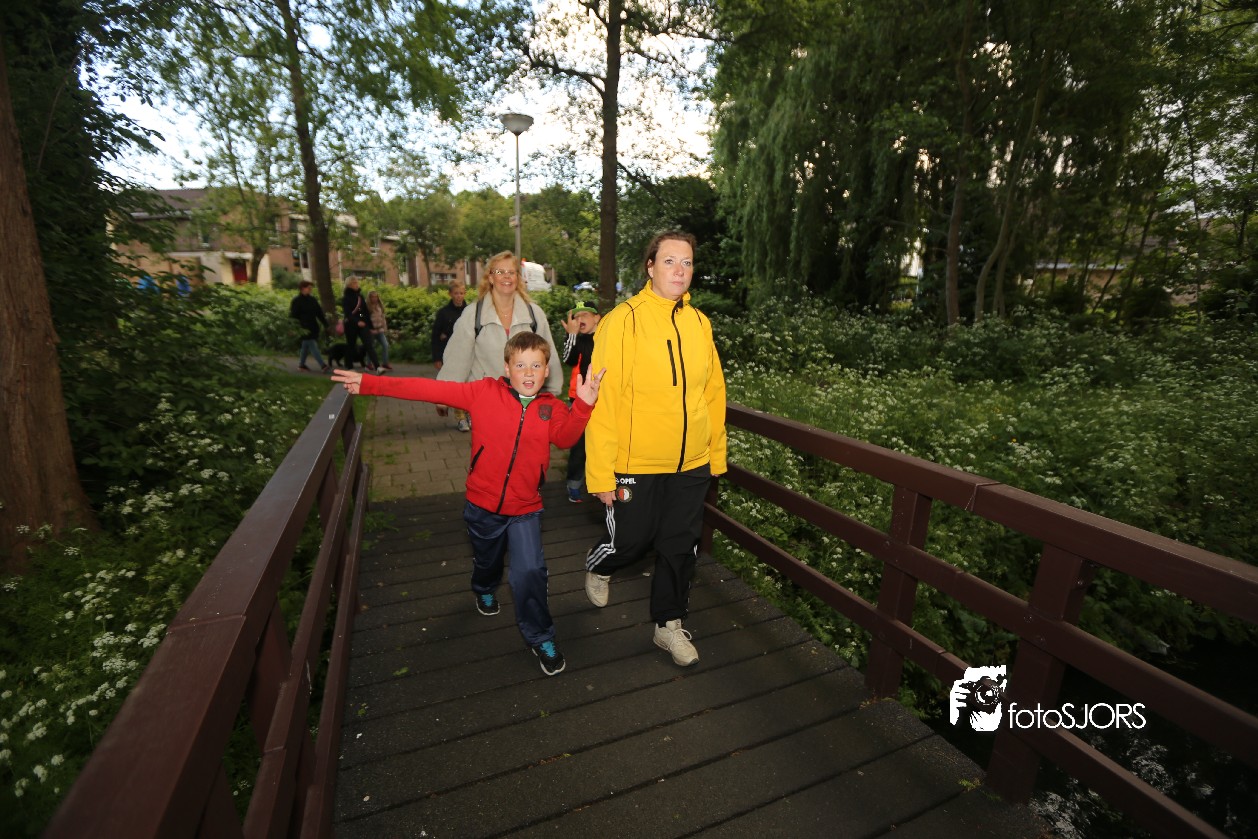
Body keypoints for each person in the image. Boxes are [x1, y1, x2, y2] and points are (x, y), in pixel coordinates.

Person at [332, 332, 606, 676]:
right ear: (506, 368)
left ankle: (541, 636)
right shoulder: (483, 393)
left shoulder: (550, 408)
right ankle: (484, 587)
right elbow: (427, 389)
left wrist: (583, 405)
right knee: (487, 561)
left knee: (530, 573)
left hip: (525, 508)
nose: (528, 372)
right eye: (521, 365)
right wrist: (370, 384)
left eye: (536, 365)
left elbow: (566, 439)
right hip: (482, 504)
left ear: (547, 369)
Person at [582, 231, 727, 667]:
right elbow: (604, 402)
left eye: (687, 262)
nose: (679, 270)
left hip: (691, 463)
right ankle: (600, 564)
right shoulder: (622, 321)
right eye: (669, 261)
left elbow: (713, 392)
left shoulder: (699, 323)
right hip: (636, 462)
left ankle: (668, 624)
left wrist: (715, 452)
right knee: (630, 541)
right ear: (650, 266)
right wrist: (600, 472)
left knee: (680, 547)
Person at [438, 251, 564, 429]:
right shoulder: (473, 314)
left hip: (526, 403)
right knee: (490, 446)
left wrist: (552, 392)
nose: (506, 276)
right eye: (500, 272)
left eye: (511, 272)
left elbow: (548, 354)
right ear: (490, 278)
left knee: (524, 446)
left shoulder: (534, 314)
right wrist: (443, 395)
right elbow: (458, 357)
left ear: (517, 278)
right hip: (485, 403)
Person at [561, 301, 600, 503]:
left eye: (585, 315)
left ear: (597, 318)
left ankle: (601, 482)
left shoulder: (606, 337)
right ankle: (574, 484)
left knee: (601, 443)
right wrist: (572, 335)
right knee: (579, 445)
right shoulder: (577, 339)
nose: (580, 319)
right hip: (580, 400)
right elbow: (568, 359)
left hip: (604, 399)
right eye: (576, 316)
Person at [431, 281, 469, 430]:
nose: (459, 296)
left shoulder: (469, 312)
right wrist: (437, 358)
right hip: (450, 355)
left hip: (468, 353)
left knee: (468, 385)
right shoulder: (443, 313)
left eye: (461, 293)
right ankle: (460, 417)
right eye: (456, 293)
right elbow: (435, 336)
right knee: (456, 386)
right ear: (450, 294)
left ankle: (469, 413)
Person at [341, 277, 382, 374]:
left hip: (363, 325)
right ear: (349, 285)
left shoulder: (360, 297)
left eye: (357, 282)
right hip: (351, 325)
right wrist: (357, 321)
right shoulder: (346, 298)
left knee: (369, 345)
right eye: (354, 283)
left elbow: (362, 312)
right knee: (351, 345)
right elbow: (348, 313)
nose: (357, 285)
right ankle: (349, 366)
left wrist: (369, 326)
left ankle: (377, 367)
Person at [289, 280, 330, 372]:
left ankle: (301, 365)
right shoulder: (297, 301)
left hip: (313, 326)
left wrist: (325, 324)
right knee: (312, 344)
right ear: (303, 288)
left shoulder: (313, 300)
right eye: (309, 288)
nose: (310, 289)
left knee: (305, 346)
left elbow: (319, 313)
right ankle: (323, 365)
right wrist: (292, 327)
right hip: (303, 327)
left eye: (311, 287)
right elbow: (293, 316)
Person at [366, 290, 393, 371]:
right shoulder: (366, 306)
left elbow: (383, 317)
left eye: (376, 297)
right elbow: (362, 316)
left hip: (380, 329)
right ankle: (368, 364)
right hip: (371, 330)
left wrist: (385, 328)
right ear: (369, 298)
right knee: (371, 347)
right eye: (373, 297)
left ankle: (385, 363)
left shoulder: (380, 305)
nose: (374, 299)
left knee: (385, 345)